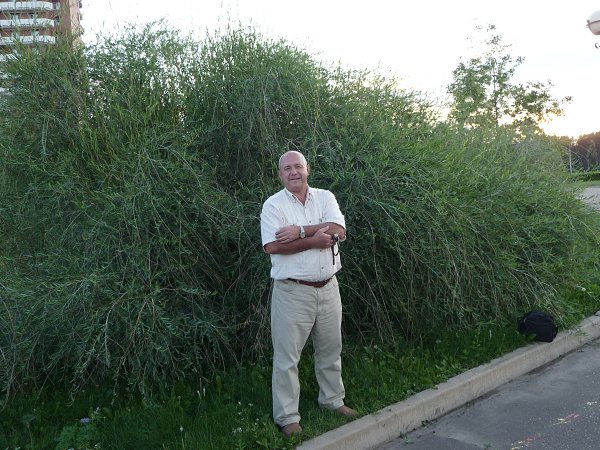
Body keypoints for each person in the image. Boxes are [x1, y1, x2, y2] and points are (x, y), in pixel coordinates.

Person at [260, 150, 356, 438]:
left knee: (330, 349)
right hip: (292, 291)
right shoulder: (273, 205)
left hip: (328, 287)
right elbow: (272, 247)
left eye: (298, 166)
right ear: (280, 174)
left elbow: (339, 230)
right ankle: (287, 417)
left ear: (307, 169)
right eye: (287, 168)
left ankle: (332, 400)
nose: (293, 172)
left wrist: (301, 231)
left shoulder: (325, 197)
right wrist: (315, 240)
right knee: (287, 358)